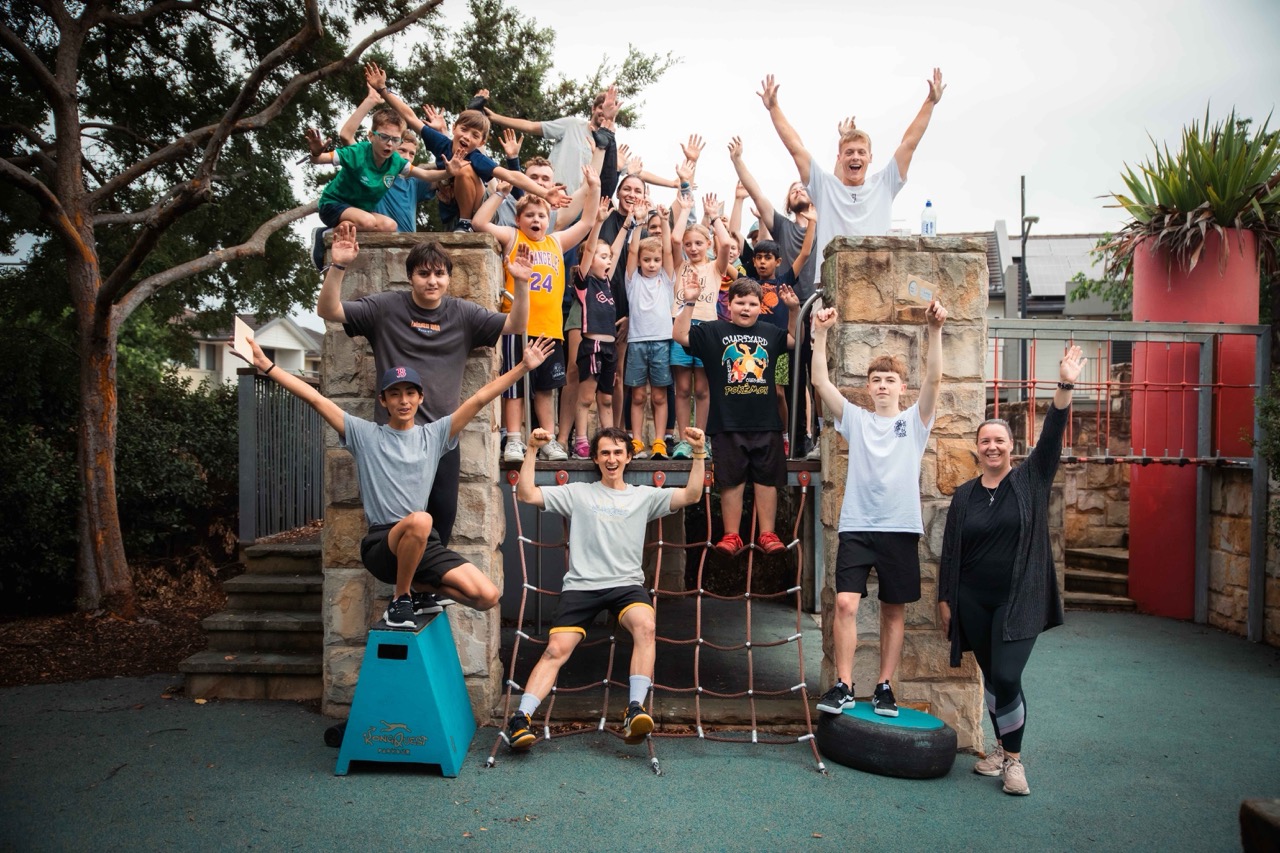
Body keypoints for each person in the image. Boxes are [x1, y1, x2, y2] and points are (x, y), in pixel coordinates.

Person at [229, 332, 555, 629]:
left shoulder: (434, 435)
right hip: (381, 545)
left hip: (423, 542)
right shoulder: (365, 435)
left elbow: (479, 400)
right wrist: (267, 365)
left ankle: (421, 586)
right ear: (383, 401)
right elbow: (317, 400)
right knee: (421, 520)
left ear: (420, 398)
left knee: (487, 596)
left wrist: (524, 367)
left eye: (410, 393)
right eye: (395, 394)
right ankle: (400, 600)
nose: (403, 400)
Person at [315, 222, 532, 547]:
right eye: (423, 274)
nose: (432, 281)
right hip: (395, 439)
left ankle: (425, 595)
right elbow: (329, 310)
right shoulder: (385, 308)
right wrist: (339, 265)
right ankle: (404, 593)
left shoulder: (463, 314)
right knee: (398, 523)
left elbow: (515, 324)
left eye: (439, 274)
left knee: (442, 519)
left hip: (442, 436)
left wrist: (523, 282)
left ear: (448, 277)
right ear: (410, 276)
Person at [938, 345, 1086, 797]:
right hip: (972, 601)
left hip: (1018, 598)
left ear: (1010, 447)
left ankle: (1015, 762)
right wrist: (946, 600)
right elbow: (951, 551)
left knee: (1006, 676)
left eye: (999, 440)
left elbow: (1053, 434)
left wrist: (1063, 385)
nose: (992, 446)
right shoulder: (964, 495)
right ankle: (1000, 749)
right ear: (977, 449)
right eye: (985, 441)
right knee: (991, 673)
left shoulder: (1030, 480)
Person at [505, 425, 707, 751]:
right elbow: (527, 494)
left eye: (617, 452)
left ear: (628, 457)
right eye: (605, 453)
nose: (611, 459)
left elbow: (692, 495)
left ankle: (634, 709)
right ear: (596, 458)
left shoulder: (643, 496)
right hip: (582, 586)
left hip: (626, 585)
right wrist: (530, 449)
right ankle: (521, 719)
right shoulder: (578, 492)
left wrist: (699, 452)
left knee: (646, 625)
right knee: (556, 649)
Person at [809, 299, 946, 719]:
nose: (883, 385)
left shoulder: (915, 422)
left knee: (892, 609)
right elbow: (820, 383)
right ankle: (845, 685)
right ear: (868, 387)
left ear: (901, 387)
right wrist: (820, 334)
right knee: (846, 604)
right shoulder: (856, 419)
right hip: (857, 526)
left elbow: (936, 380)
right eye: (876, 379)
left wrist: (934, 330)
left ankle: (884, 686)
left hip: (899, 528)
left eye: (889, 379)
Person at [472, 167, 603, 462]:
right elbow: (479, 223)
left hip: (549, 329)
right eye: (529, 215)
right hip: (518, 326)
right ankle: (515, 439)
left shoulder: (555, 242)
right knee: (515, 386)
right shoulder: (512, 236)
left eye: (541, 216)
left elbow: (586, 222)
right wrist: (500, 193)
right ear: (519, 219)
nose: (536, 220)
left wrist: (593, 188)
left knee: (546, 388)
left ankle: (546, 438)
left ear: (549, 220)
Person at [759, 69, 946, 274]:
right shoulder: (825, 186)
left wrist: (930, 102)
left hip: (876, 278)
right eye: (849, 152)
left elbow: (909, 143)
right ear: (840, 158)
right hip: (833, 278)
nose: (855, 157)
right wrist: (774, 108)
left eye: (861, 152)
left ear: (870, 157)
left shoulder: (884, 183)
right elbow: (796, 148)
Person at [675, 277, 798, 556]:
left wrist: (793, 309)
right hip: (726, 423)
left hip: (766, 422)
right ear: (728, 305)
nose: (746, 308)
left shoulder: (769, 331)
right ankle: (732, 535)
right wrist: (690, 301)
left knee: (767, 480)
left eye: (752, 303)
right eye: (740, 302)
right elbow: (680, 336)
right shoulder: (713, 331)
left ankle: (768, 533)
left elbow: (794, 340)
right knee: (731, 480)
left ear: (760, 307)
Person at [366, 62, 570, 225]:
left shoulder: (477, 157)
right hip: (451, 204)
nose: (466, 137)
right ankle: (457, 217)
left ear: (481, 142)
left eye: (474, 135)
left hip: (479, 210)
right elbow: (410, 117)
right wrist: (383, 90)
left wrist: (544, 192)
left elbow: (510, 175)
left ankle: (465, 221)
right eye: (463, 130)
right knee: (432, 171)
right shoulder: (441, 143)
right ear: (454, 128)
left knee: (464, 169)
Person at [307, 106, 441, 268]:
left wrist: (442, 135)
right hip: (341, 209)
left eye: (411, 153)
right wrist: (371, 99)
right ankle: (326, 234)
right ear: (373, 138)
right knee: (368, 221)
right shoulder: (367, 156)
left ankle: (333, 232)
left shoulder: (410, 181)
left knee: (390, 225)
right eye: (402, 150)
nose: (406, 156)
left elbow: (434, 176)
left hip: (394, 243)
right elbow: (345, 137)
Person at [669, 176, 733, 459]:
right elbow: (673, 238)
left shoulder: (715, 268)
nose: (693, 248)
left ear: (707, 243)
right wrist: (685, 210)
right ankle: (684, 439)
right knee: (682, 388)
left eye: (698, 243)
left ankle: (701, 439)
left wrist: (715, 218)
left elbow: (727, 245)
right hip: (682, 328)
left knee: (703, 390)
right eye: (689, 244)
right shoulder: (680, 265)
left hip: (708, 329)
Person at [622, 204, 675, 459]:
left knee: (660, 395)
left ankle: (658, 442)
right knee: (638, 395)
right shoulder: (632, 281)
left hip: (662, 342)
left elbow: (668, 249)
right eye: (647, 260)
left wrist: (664, 222)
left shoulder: (666, 280)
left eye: (656, 260)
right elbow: (633, 249)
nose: (652, 264)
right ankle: (636, 441)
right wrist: (640, 222)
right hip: (637, 342)